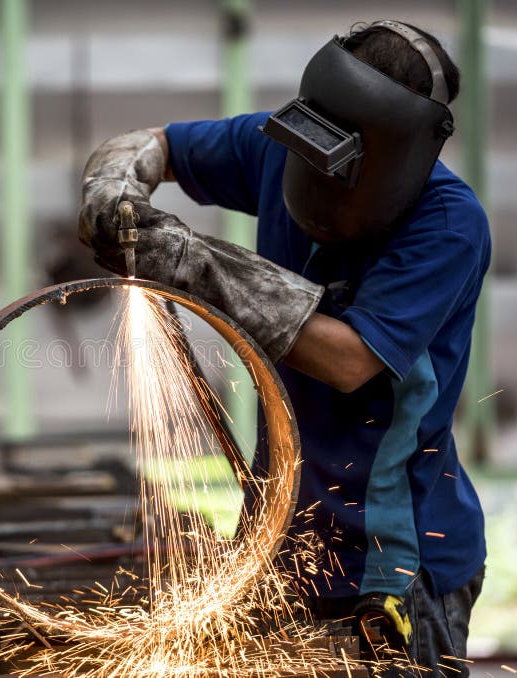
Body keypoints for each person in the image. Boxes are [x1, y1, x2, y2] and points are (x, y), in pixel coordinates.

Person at [78, 20, 488, 676]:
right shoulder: (279, 144)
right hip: (281, 544)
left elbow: (349, 359)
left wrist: (193, 262)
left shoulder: (447, 225)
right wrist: (115, 184)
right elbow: (157, 146)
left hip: (391, 566)